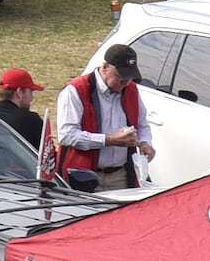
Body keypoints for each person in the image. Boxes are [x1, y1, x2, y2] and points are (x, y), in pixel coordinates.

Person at [51, 44, 157, 189]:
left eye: (129, 78)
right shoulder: (76, 90)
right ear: (105, 67)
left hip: (121, 176)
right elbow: (67, 135)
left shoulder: (131, 89)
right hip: (84, 176)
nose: (125, 83)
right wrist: (109, 140)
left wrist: (145, 143)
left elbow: (142, 124)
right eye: (120, 77)